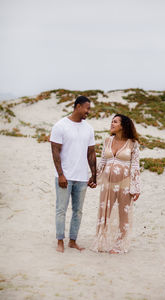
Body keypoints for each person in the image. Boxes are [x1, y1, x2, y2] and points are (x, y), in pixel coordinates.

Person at [50, 96, 97, 253]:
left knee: (78, 211)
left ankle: (72, 241)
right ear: (77, 107)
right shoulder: (60, 126)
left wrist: (94, 175)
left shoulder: (89, 128)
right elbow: (55, 152)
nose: (88, 112)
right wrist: (61, 175)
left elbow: (91, 153)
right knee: (61, 209)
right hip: (65, 177)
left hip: (82, 177)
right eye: (86, 108)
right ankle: (60, 241)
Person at [91, 114, 140, 254]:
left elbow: (135, 166)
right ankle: (103, 241)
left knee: (122, 214)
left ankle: (120, 245)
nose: (112, 124)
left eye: (115, 122)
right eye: (111, 121)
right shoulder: (107, 140)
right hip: (107, 183)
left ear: (123, 125)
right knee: (104, 211)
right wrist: (94, 178)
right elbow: (102, 162)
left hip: (125, 184)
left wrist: (136, 187)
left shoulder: (133, 144)